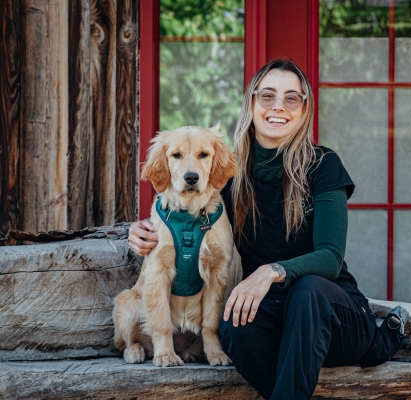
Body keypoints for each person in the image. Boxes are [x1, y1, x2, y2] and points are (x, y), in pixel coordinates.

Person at [128, 59, 378, 400]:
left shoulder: (323, 165)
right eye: (268, 96)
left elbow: (331, 259)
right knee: (234, 328)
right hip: (276, 320)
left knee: (308, 290)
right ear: (251, 104)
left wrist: (271, 272)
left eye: (292, 98)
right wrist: (138, 231)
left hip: (335, 319)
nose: (278, 106)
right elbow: (182, 212)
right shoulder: (229, 177)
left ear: (305, 110)